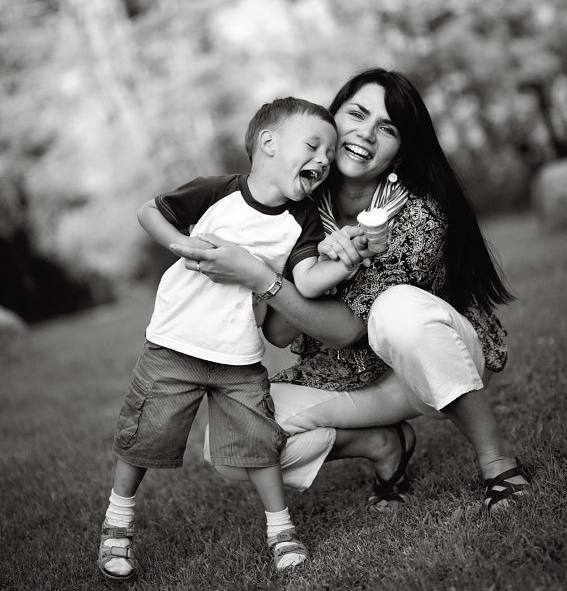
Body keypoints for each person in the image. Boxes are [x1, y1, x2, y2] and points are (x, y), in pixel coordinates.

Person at [171, 68, 531, 515]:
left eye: (388, 128)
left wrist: (260, 277)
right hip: (352, 377)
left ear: (401, 151)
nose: (366, 133)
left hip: (437, 363)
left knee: (396, 310)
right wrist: (309, 268)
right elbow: (281, 332)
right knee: (228, 442)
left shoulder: (417, 215)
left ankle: (497, 463)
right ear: (331, 119)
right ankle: (383, 443)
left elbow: (346, 330)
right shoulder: (299, 209)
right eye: (357, 114)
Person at [99, 96, 364, 581]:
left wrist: (346, 261)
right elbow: (149, 211)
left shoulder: (303, 219)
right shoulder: (216, 191)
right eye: (313, 146)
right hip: (176, 345)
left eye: (330, 153)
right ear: (268, 143)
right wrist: (183, 245)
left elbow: (305, 282)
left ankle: (281, 530)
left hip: (240, 356)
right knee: (145, 436)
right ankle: (118, 521)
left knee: (258, 442)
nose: (324, 159)